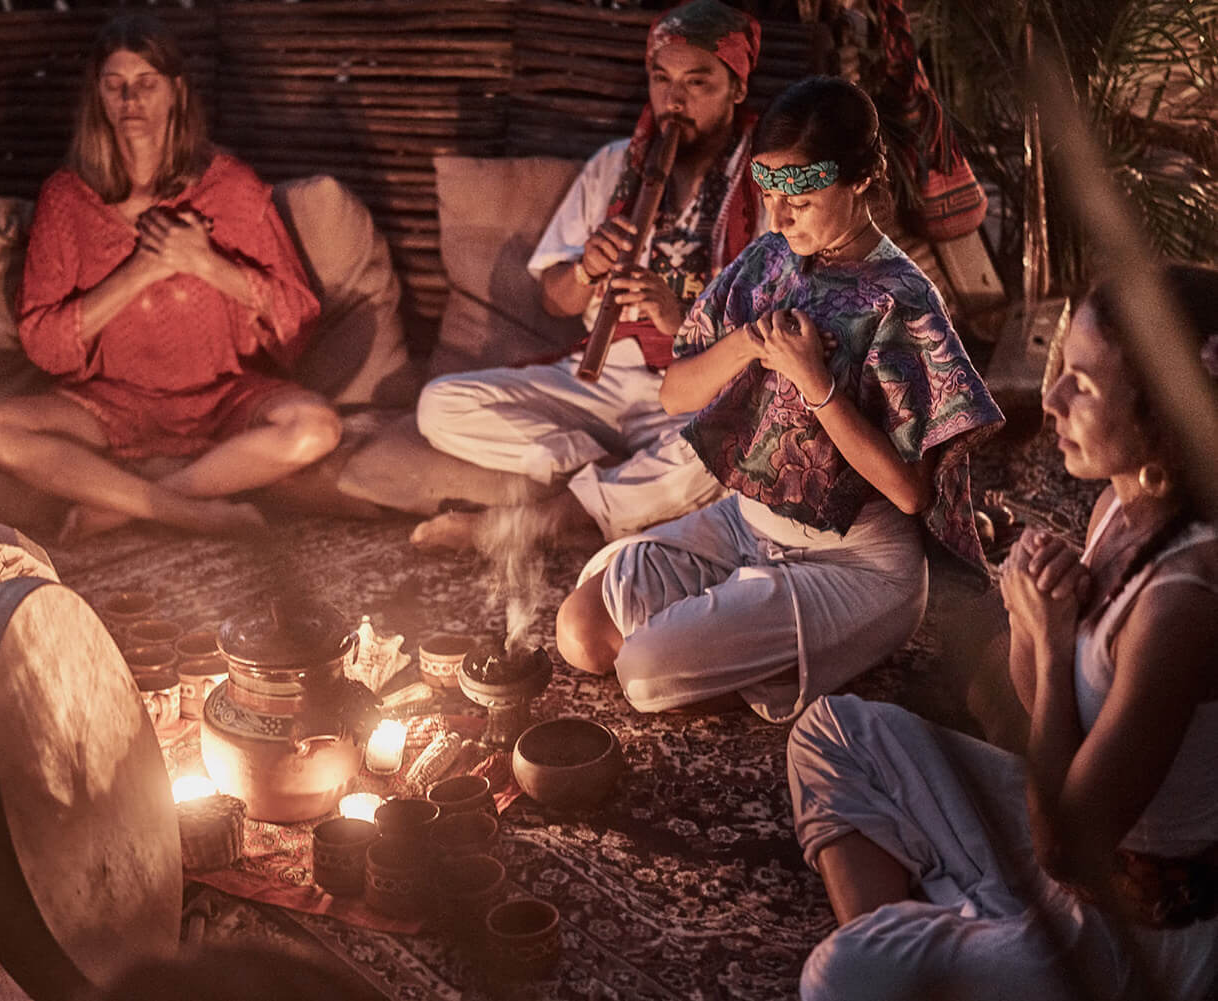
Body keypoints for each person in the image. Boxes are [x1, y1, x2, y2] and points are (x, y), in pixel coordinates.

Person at [785, 263, 1218, 1001]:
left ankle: (930, 954)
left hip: (1134, 938)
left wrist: (1051, 646)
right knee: (831, 735)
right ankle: (940, 949)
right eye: (1062, 372)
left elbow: (1065, 851)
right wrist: (1028, 621)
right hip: (1062, 838)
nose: (1051, 401)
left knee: (840, 974)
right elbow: (1034, 717)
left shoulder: (1183, 602)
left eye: (1083, 385)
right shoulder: (1119, 505)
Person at [555, 76, 1002, 723]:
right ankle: (745, 633)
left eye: (801, 196)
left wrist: (815, 383)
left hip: (853, 561)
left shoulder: (902, 300)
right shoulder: (767, 260)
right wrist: (746, 344)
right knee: (581, 628)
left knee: (643, 672)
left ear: (860, 180)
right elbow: (676, 389)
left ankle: (768, 637)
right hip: (747, 522)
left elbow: (911, 493)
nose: (778, 216)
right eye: (768, 193)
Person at [0, 13, 337, 542]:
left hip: (224, 398)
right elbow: (44, 345)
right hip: (112, 406)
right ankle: (188, 511)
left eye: (146, 85)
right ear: (98, 97)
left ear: (176, 93)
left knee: (317, 428)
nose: (130, 101)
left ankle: (138, 504)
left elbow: (298, 317)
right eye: (114, 86)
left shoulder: (228, 187)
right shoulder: (68, 198)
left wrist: (204, 262)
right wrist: (143, 269)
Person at [410, 0, 765, 551]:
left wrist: (680, 320)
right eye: (662, 79)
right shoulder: (614, 165)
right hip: (597, 378)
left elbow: (770, 330)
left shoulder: (767, 180)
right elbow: (554, 300)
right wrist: (586, 267)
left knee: (741, 443)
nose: (675, 99)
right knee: (440, 406)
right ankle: (611, 480)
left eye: (699, 83)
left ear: (737, 88)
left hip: (696, 385)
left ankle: (550, 522)